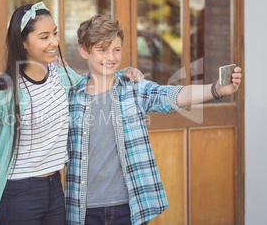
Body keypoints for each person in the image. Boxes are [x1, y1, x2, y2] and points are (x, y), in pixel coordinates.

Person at [65, 15, 242, 225]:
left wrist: (217, 89)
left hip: (129, 207)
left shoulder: (134, 88)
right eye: (102, 50)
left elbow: (174, 95)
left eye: (116, 49)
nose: (110, 57)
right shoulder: (71, 97)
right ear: (84, 51)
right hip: (83, 209)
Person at [0, 2, 143, 225]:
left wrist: (124, 73)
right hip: (18, 191)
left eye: (55, 33)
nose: (54, 42)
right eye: (44, 37)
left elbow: (93, 83)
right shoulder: (6, 87)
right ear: (23, 42)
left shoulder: (61, 74)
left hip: (55, 187)